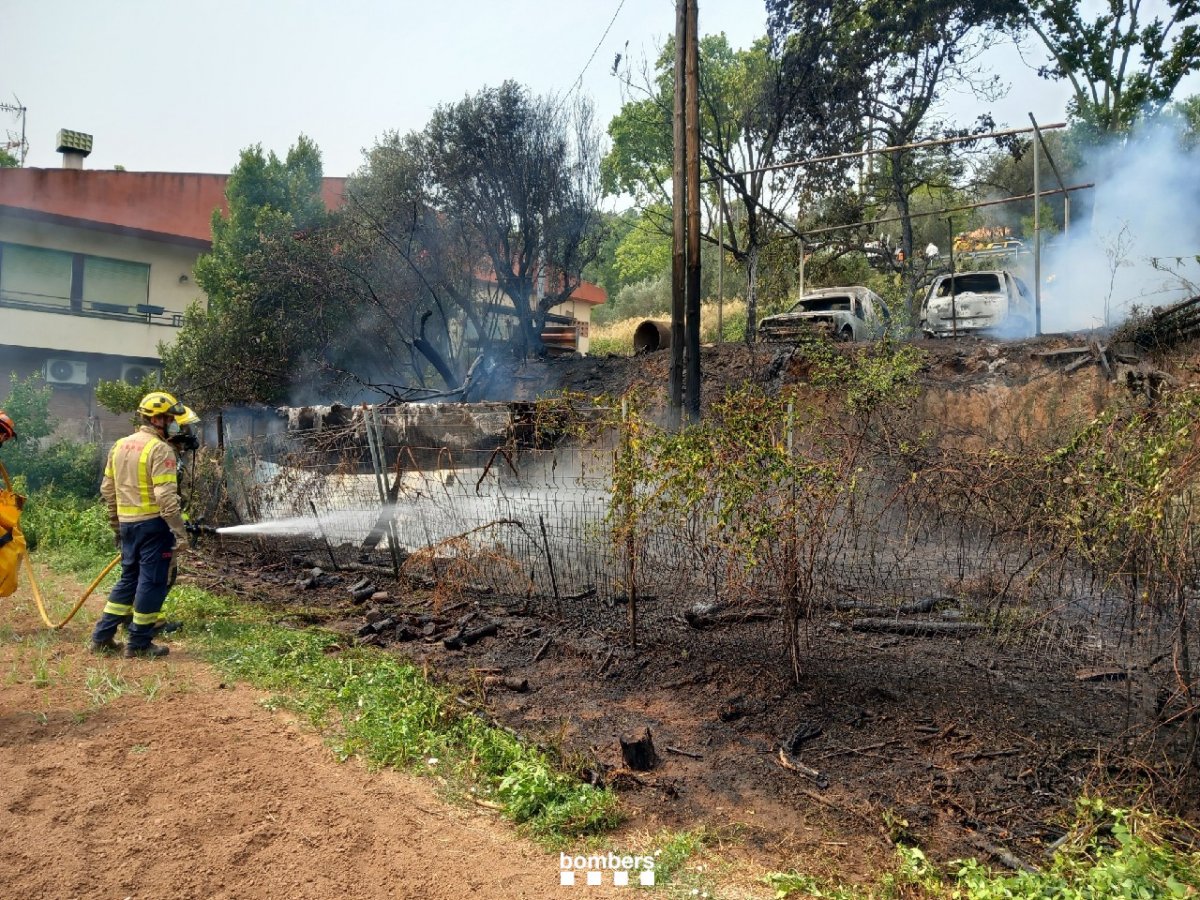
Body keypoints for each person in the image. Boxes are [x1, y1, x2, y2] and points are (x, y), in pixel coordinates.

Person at [90, 391, 189, 658]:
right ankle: (139, 643)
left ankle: (102, 637)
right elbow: (165, 497)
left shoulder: (120, 445)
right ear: (158, 419)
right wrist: (180, 533)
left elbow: (107, 489)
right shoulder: (161, 449)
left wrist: (116, 524)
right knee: (153, 582)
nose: (174, 424)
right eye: (171, 419)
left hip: (128, 525)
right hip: (154, 527)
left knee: (128, 579)